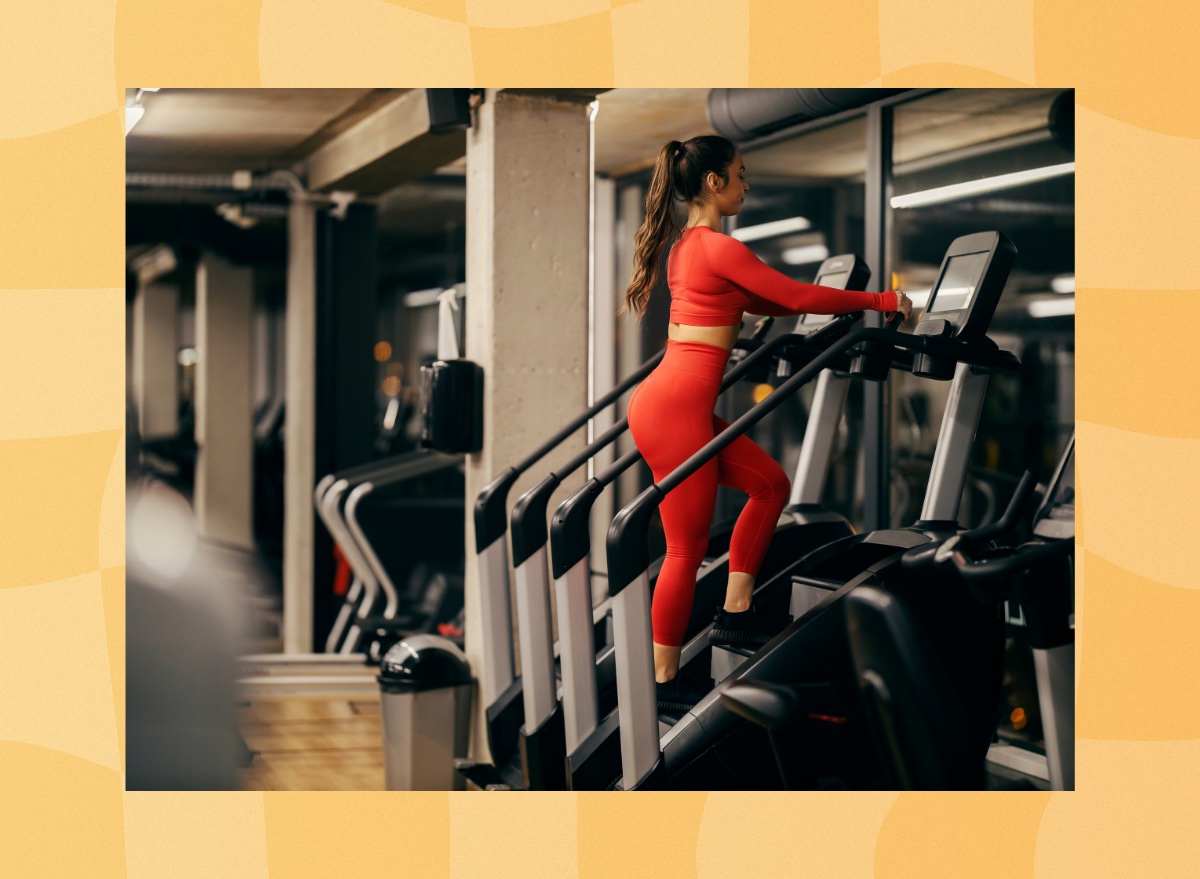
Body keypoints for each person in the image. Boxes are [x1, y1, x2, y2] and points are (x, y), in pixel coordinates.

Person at [618, 136, 912, 709]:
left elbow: (765, 303)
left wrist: (836, 310)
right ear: (713, 182)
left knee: (770, 484)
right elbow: (792, 291)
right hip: (676, 409)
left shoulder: (688, 248)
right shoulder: (714, 245)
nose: (745, 184)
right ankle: (662, 685)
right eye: (739, 174)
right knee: (684, 549)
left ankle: (736, 612)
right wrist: (880, 301)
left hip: (670, 405)